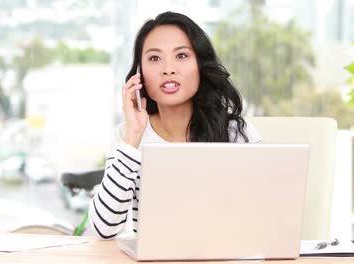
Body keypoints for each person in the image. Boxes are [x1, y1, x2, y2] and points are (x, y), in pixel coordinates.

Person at [89, 11, 262, 240]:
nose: (168, 69)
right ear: (139, 75)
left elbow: (262, 218)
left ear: (200, 65)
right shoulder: (127, 135)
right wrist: (133, 136)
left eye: (181, 56)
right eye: (154, 58)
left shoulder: (237, 133)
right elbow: (103, 228)